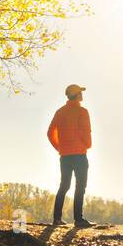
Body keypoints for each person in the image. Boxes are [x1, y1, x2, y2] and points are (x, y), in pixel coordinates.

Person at [46, 84, 93, 227]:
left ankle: (57, 219)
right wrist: (87, 145)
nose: (82, 95)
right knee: (80, 186)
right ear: (76, 95)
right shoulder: (82, 111)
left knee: (64, 185)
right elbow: (86, 132)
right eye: (80, 92)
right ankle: (78, 220)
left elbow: (50, 133)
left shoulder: (60, 112)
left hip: (65, 155)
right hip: (79, 154)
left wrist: (60, 147)